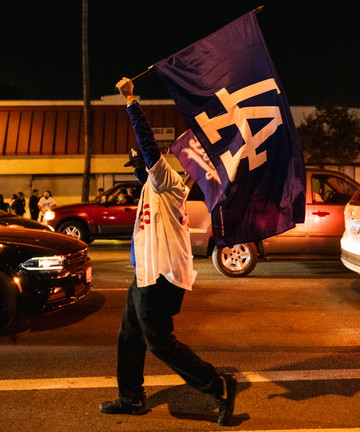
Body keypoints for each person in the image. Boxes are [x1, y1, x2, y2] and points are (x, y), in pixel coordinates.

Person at [99, 77, 237, 427]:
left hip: (160, 275)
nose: (136, 173)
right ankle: (130, 397)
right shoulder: (151, 189)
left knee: (159, 342)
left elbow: (148, 146)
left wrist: (131, 101)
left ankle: (218, 385)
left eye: (138, 167)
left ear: (153, 164)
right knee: (130, 334)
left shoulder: (165, 182)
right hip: (146, 273)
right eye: (133, 169)